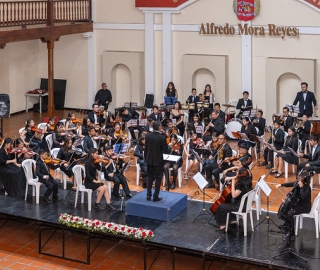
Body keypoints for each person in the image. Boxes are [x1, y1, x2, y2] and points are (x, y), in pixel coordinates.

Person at [275, 171, 312, 238]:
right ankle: (287, 223)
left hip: (305, 207)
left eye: (300, 177)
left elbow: (303, 197)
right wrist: (281, 185)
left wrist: (301, 187)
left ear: (304, 179)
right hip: (299, 204)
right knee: (288, 206)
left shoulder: (307, 188)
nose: (299, 178)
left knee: (290, 213)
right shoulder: (299, 184)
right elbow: (292, 184)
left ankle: (291, 231)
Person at [144, 122, 168, 202]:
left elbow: (146, 149)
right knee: (158, 178)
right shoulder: (162, 137)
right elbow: (165, 150)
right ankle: (155, 196)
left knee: (150, 177)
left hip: (149, 159)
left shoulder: (148, 136)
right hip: (158, 160)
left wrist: (145, 158)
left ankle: (148, 195)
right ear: (159, 127)